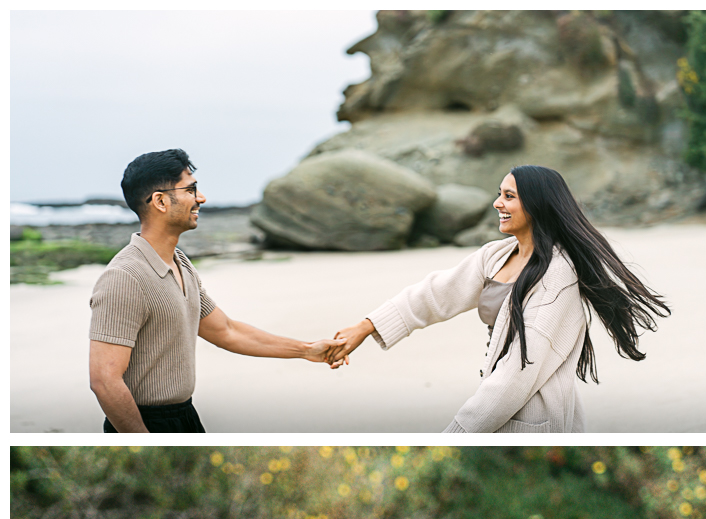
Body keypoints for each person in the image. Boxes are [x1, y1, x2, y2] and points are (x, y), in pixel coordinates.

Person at [328, 164, 671, 433]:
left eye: (509, 197)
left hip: (534, 420)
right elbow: (435, 294)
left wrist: (458, 431)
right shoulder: (497, 255)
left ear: (536, 206)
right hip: (500, 409)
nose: (497, 204)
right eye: (499, 194)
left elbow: (517, 374)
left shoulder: (558, 277)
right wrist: (365, 327)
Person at [89, 149, 343, 432]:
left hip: (185, 415)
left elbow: (227, 330)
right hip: (144, 423)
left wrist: (306, 350)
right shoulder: (124, 277)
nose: (201, 198)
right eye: (191, 189)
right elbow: (104, 380)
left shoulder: (180, 263)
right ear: (160, 201)